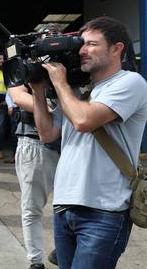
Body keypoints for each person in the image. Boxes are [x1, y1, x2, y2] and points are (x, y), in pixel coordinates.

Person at [31, 16, 147, 268]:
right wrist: (38, 90)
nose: (82, 50)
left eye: (92, 44)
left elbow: (83, 120)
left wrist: (60, 83)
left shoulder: (130, 83)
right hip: (65, 204)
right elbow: (47, 134)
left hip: (104, 210)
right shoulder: (79, 91)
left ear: (117, 49)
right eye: (81, 44)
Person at [8, 84, 59, 269]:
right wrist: (56, 106)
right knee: (32, 208)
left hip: (73, 141)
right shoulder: (22, 59)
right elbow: (18, 96)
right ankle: (36, 262)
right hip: (35, 142)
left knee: (71, 208)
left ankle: (61, 251)